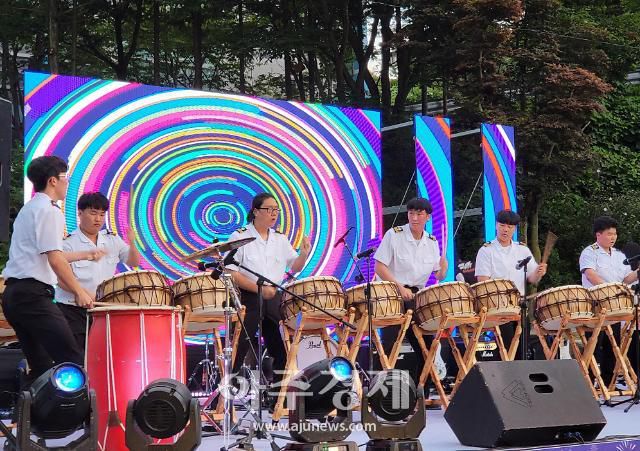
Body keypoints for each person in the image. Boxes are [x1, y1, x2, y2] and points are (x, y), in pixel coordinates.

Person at [1, 156, 93, 379]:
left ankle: (35, 402)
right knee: (72, 359)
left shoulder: (29, 209)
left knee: (41, 367)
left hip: (14, 295)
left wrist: (86, 254)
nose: (67, 183)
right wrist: (79, 291)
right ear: (53, 180)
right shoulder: (50, 211)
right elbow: (55, 258)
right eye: (65, 177)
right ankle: (81, 403)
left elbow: (46, 253)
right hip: (33, 297)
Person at [226, 192, 310, 391]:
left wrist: (304, 254)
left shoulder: (280, 239)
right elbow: (231, 272)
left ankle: (278, 396)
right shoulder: (240, 236)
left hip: (274, 297)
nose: (274, 213)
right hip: (248, 297)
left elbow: (295, 266)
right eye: (269, 209)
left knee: (281, 347)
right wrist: (259, 289)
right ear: (256, 211)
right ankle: (227, 395)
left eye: (276, 210)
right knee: (239, 346)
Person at [374, 197, 448, 382]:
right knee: (390, 345)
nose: (414, 218)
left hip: (416, 297)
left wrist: (444, 268)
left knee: (427, 346)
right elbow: (379, 267)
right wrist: (399, 288)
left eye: (419, 214)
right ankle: (382, 388)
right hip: (392, 295)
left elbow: (438, 275)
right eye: (411, 213)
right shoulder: (394, 234)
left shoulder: (432, 242)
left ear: (428, 217)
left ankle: (422, 389)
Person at [55, 192, 140, 352]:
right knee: (78, 354)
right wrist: (81, 293)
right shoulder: (67, 243)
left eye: (102, 214)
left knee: (104, 353)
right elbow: (59, 278)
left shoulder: (111, 239)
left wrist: (133, 242)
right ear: (80, 213)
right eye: (93, 213)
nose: (98, 219)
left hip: (103, 309)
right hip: (73, 309)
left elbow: (133, 262)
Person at [474, 209, 547, 357]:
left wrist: (539, 273)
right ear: (496, 225)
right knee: (506, 348)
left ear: (514, 229)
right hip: (497, 306)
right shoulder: (486, 250)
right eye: (502, 225)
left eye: (510, 226)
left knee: (522, 349)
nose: (505, 230)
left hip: (519, 306)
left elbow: (532, 279)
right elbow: (482, 282)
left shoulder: (522, 249)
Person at [579, 216, 638, 387]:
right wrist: (610, 290)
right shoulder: (589, 252)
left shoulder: (619, 255)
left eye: (615, 234)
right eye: (609, 234)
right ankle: (588, 382)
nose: (613, 237)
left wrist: (638, 273)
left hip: (615, 306)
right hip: (595, 304)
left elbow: (626, 278)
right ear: (598, 234)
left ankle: (607, 382)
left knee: (612, 344)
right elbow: (590, 274)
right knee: (594, 344)